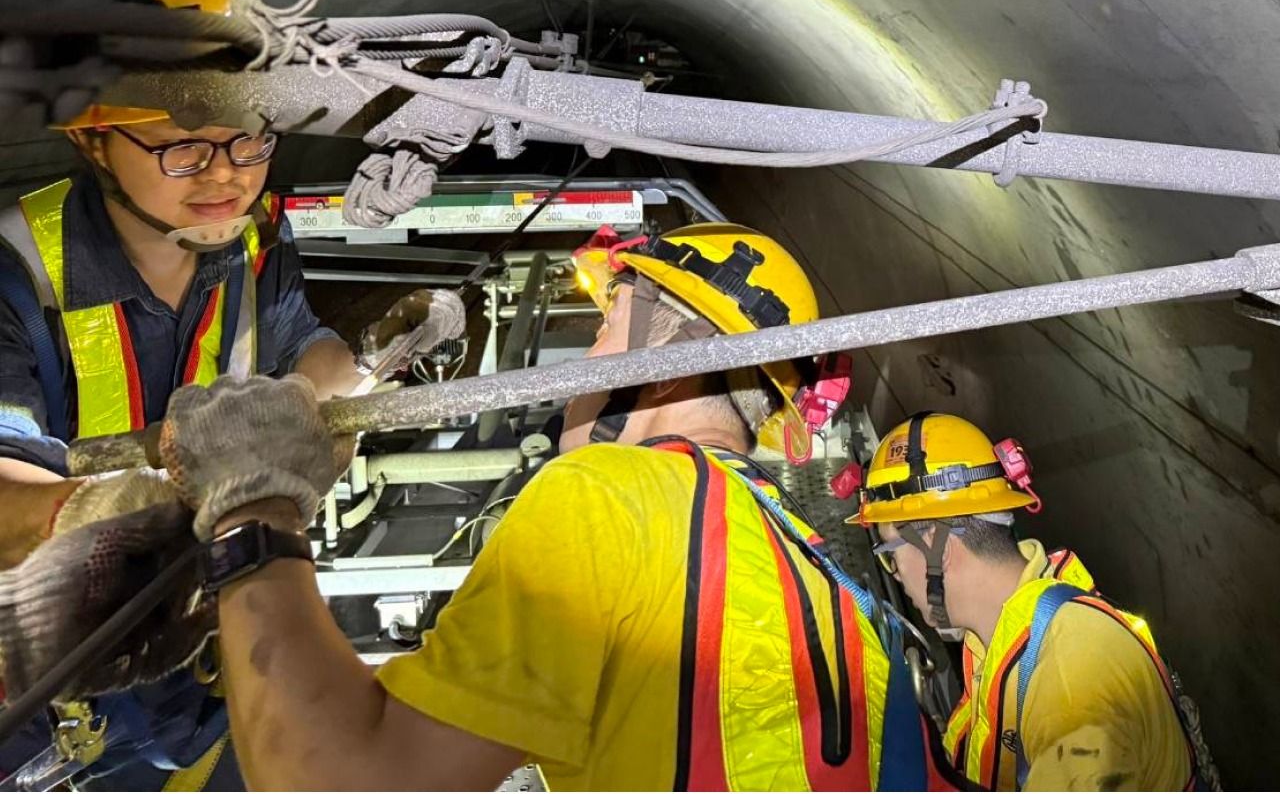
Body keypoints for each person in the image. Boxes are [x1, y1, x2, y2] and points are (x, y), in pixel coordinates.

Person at [80, 222, 952, 790]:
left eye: (606, 328)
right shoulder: (825, 583)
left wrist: (251, 512)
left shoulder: (611, 496)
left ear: (662, 353)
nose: (585, 359)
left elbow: (343, 781)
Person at [0, 0, 364, 789]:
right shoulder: (16, 273)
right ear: (89, 139)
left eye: (248, 140)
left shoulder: (253, 238)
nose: (225, 172)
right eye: (182, 146)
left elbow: (308, 342)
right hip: (45, 675)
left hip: (192, 651)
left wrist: (328, 392)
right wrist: (112, 510)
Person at [855, 411, 1204, 791]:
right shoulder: (996, 634)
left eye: (890, 555)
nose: (895, 573)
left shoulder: (1074, 680)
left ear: (938, 546)